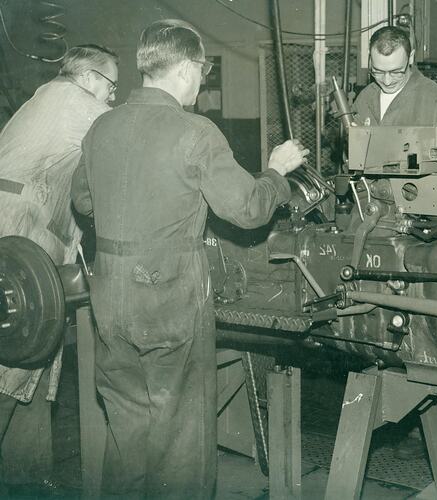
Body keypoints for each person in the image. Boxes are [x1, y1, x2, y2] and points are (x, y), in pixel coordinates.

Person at [70, 19, 307, 498]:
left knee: (127, 423)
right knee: (180, 432)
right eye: (202, 69)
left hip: (110, 296)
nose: (203, 79)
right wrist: (277, 171)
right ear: (184, 68)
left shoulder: (101, 126)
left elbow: (83, 202)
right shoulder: (196, 131)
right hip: (170, 296)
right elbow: (247, 209)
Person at [0, 44, 118, 492]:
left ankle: (26, 481)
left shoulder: (56, 103)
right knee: (11, 361)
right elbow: (121, 134)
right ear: (87, 78)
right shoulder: (68, 99)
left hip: (34, 241)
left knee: (31, 363)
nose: (112, 94)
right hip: (17, 238)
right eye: (110, 84)